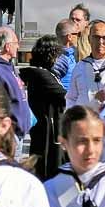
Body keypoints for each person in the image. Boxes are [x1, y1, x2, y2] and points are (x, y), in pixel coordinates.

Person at [20, 35, 67, 181]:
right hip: (48, 132)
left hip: (49, 129)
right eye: (58, 55)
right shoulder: (42, 75)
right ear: (51, 55)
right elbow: (65, 97)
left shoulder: (45, 74)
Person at [0, 26, 32, 136]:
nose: (18, 46)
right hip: (7, 136)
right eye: (16, 42)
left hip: (16, 134)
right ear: (7, 47)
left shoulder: (7, 67)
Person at [67, 21, 105, 111]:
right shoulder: (80, 66)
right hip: (85, 120)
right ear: (89, 39)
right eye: (96, 37)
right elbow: (71, 98)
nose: (101, 42)